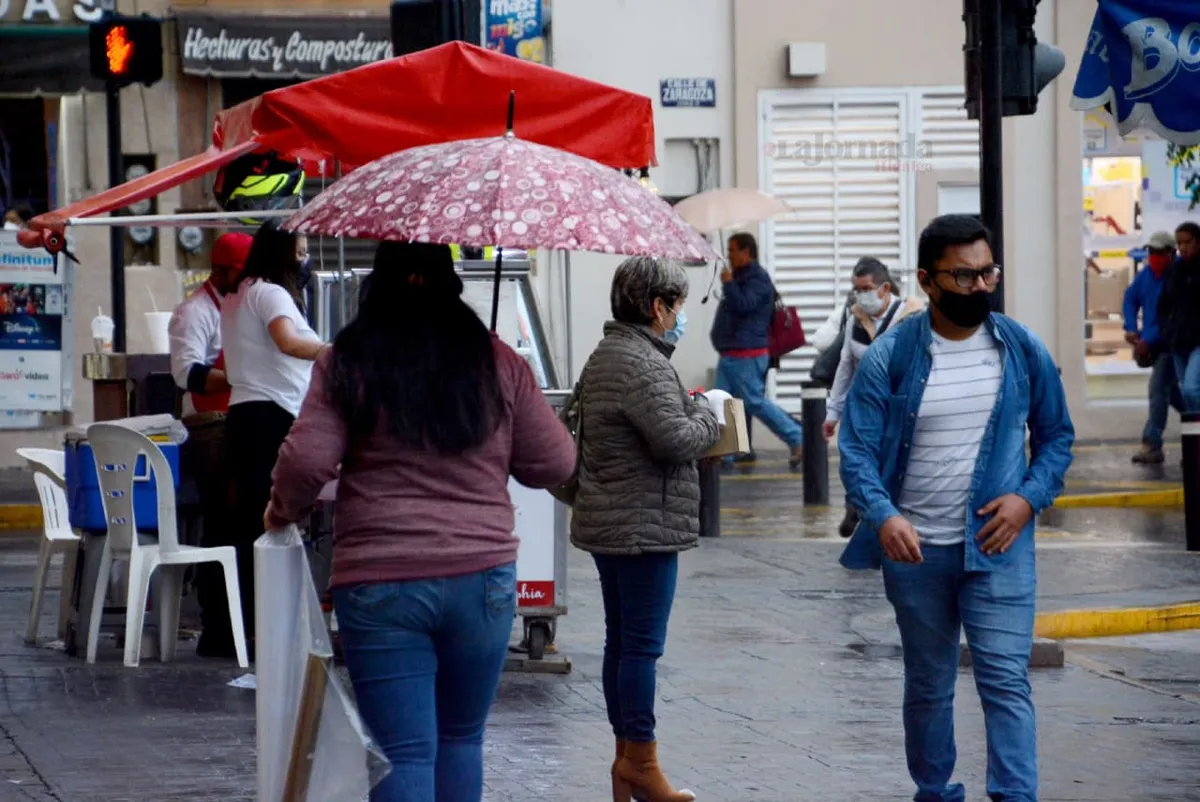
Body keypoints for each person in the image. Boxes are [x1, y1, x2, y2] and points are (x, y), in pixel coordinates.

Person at [266, 241, 576, 802]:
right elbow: (554, 463)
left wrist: (281, 509)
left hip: (382, 582)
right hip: (481, 579)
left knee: (403, 751)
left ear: (375, 286)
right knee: (461, 740)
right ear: (451, 284)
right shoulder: (497, 359)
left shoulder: (347, 361)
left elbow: (307, 461)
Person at [838, 214, 1074, 802]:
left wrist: (1027, 499)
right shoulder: (891, 357)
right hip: (916, 554)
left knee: (1004, 680)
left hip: (999, 549)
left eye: (987, 272)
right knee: (928, 683)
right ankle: (935, 790)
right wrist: (884, 515)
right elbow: (856, 451)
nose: (980, 286)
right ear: (928, 280)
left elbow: (1057, 437)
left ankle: (1014, 796)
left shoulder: (1021, 349)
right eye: (963, 276)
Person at [572, 257, 721, 802]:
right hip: (643, 525)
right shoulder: (641, 362)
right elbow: (677, 439)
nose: (680, 317)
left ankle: (625, 762)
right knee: (640, 648)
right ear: (657, 307)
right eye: (677, 306)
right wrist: (711, 415)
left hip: (613, 519)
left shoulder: (608, 354)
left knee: (623, 644)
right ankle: (641, 761)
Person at [202, 219, 322, 659]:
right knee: (266, 525)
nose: (304, 259)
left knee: (246, 524)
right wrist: (334, 350)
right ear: (283, 253)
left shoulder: (239, 294)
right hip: (271, 418)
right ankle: (266, 629)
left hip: (246, 416)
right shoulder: (270, 292)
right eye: (300, 251)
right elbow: (288, 342)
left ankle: (242, 628)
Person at [822, 257, 923, 538]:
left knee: (892, 464)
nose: (861, 295)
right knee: (857, 459)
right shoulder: (855, 319)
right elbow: (845, 366)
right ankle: (856, 507)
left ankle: (884, 518)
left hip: (900, 407)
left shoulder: (913, 318)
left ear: (885, 288)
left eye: (867, 288)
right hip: (865, 407)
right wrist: (833, 412)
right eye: (857, 289)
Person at [709, 232, 804, 467]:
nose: (729, 256)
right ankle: (727, 451)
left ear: (746, 252)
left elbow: (745, 305)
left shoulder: (757, 279)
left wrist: (729, 284)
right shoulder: (741, 277)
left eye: (733, 251)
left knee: (754, 401)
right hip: (732, 352)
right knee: (723, 402)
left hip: (746, 354)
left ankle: (797, 436)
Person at [168, 232, 253, 414]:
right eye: (243, 274)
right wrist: (245, 379)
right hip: (210, 424)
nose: (249, 281)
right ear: (218, 272)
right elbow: (187, 373)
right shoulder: (194, 312)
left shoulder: (249, 305)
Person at [1123, 231, 1183, 464]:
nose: (1154, 256)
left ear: (1171, 252)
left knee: (1158, 388)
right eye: (1151, 252)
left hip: (1171, 344)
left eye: (1159, 252)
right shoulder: (1146, 275)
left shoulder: (1177, 277)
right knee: (1176, 394)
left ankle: (1152, 443)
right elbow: (1130, 298)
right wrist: (1131, 328)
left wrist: (1148, 340)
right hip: (1151, 344)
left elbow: (1173, 317)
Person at [1158, 222, 1200, 413]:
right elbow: (1164, 305)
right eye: (1179, 243)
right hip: (1178, 342)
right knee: (1187, 392)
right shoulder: (1174, 271)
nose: (1182, 248)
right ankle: (1195, 437)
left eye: (1187, 242)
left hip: (1197, 343)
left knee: (1191, 390)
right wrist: (1166, 329)